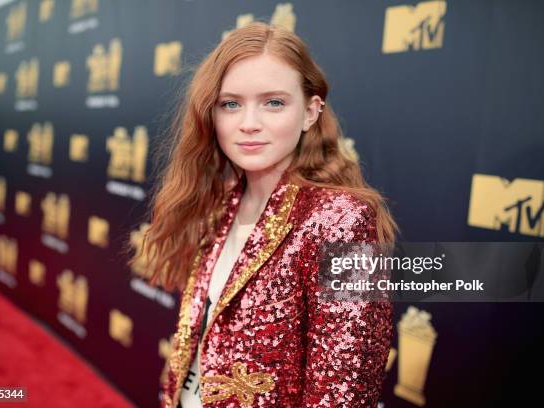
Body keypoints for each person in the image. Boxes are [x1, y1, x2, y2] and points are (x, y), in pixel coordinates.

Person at [138, 21, 397, 408]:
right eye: (231, 104)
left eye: (274, 102)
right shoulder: (219, 206)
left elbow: (344, 391)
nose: (248, 123)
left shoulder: (343, 221)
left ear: (311, 112)